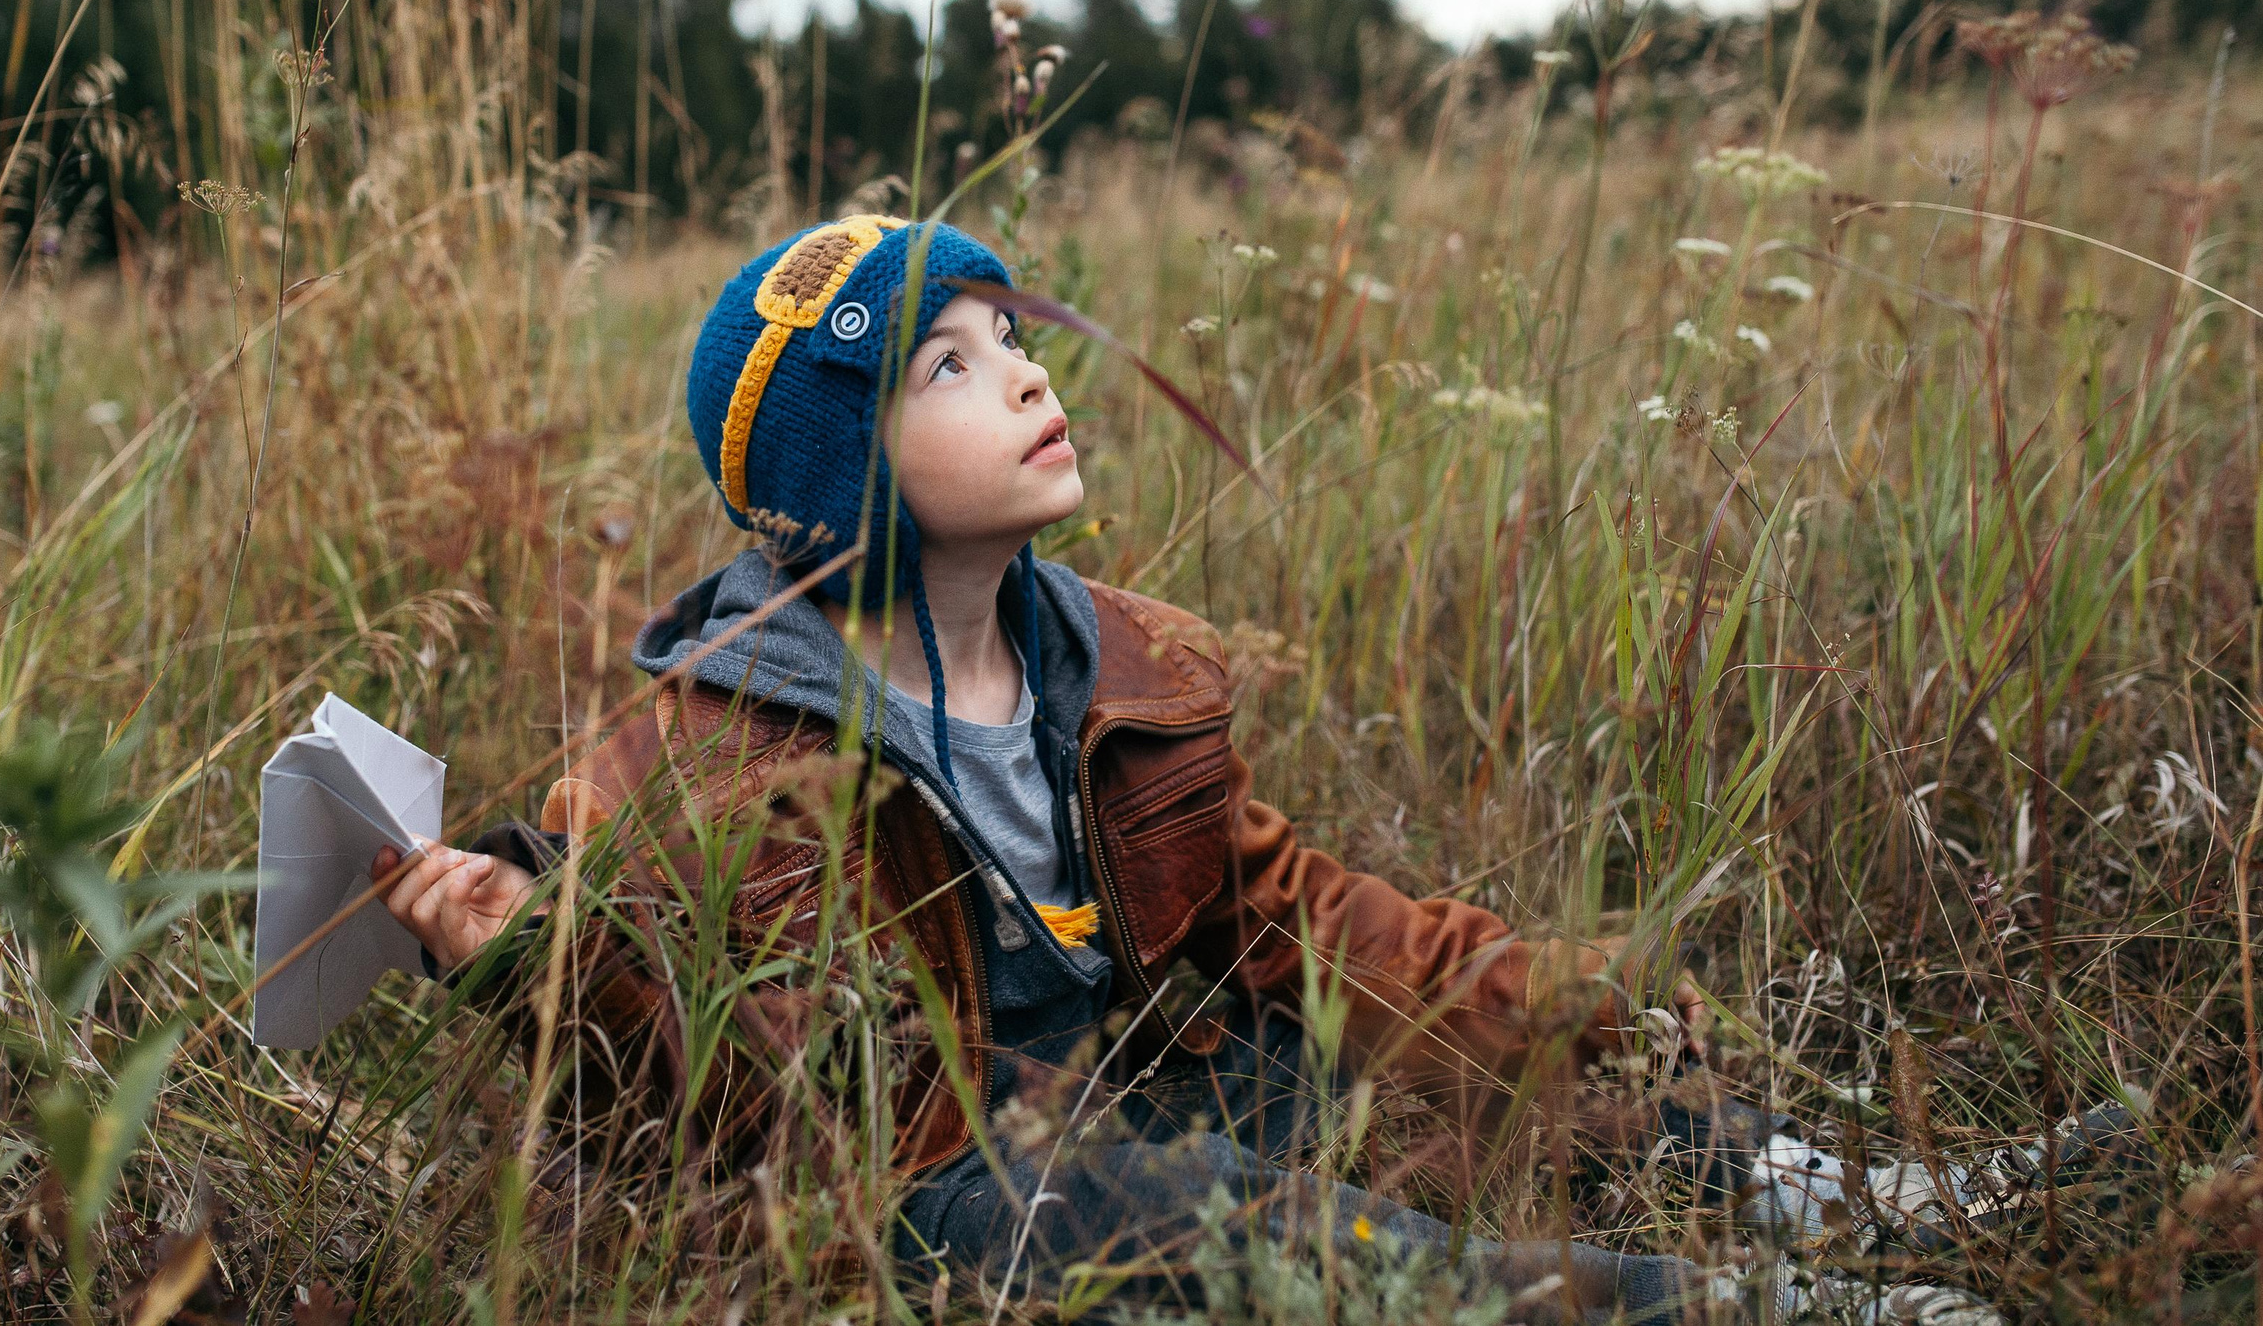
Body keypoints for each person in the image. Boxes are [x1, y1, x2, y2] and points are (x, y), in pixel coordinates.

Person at [369, 216, 2025, 1324]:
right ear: (827, 467)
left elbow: (1297, 923)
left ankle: (1875, 1192)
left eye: (1009, 335)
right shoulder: (701, 758)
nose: (1026, 371)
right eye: (943, 363)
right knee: (1219, 1198)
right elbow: (702, 1097)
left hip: (1137, 1087)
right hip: (946, 1187)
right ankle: (1728, 1304)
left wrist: (1536, 992)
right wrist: (535, 952)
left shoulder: (1110, 660)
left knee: (1441, 1073)